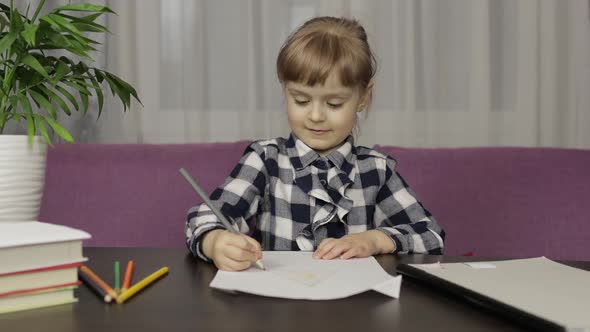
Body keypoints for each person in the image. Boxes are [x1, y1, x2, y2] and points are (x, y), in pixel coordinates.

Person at [185, 16, 445, 271]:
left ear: (364, 97)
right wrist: (216, 241)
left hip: (355, 308)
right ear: (285, 90)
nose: (316, 115)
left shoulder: (376, 170)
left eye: (334, 104)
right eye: (301, 100)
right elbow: (204, 218)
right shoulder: (266, 159)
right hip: (279, 307)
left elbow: (431, 236)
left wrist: (375, 240)